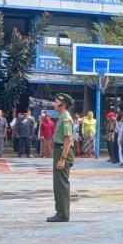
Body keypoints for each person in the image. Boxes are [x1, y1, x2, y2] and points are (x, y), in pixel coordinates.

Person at [47, 93, 75, 222]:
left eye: (56, 101)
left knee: (61, 184)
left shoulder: (65, 118)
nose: (54, 103)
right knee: (57, 184)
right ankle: (60, 212)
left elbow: (68, 139)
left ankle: (63, 214)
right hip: (59, 151)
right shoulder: (61, 117)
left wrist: (62, 158)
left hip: (63, 152)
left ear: (62, 105)